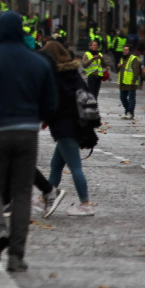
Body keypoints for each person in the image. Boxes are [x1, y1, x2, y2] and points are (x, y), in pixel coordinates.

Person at [0, 11, 57, 273]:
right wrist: (36, 118)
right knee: (21, 194)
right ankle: (16, 256)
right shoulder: (38, 62)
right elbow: (51, 102)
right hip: (27, 132)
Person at [41, 41, 94, 217]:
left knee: (75, 166)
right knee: (56, 164)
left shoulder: (56, 77)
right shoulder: (74, 74)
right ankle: (44, 199)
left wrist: (44, 117)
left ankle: (85, 204)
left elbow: (52, 103)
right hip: (78, 125)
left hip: (64, 127)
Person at [117, 44, 142, 119]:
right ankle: (128, 110)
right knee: (122, 97)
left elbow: (136, 70)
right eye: (124, 50)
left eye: (126, 50)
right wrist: (119, 66)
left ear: (130, 51)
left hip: (131, 82)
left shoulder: (133, 59)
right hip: (123, 82)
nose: (124, 51)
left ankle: (130, 112)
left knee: (131, 98)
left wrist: (133, 80)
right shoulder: (122, 59)